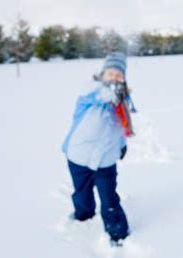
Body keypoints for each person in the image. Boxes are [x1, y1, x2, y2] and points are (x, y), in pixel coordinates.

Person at [62, 52, 133, 245]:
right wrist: (110, 93)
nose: (114, 78)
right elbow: (94, 95)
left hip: (106, 160)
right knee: (82, 192)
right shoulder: (89, 94)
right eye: (110, 73)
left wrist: (122, 145)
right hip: (79, 156)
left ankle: (117, 232)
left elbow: (120, 129)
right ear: (102, 75)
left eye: (119, 75)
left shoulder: (121, 103)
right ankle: (84, 216)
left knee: (109, 198)